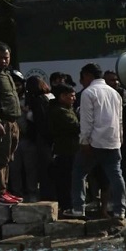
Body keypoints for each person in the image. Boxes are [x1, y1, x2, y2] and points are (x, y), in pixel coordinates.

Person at [66, 63, 125, 220]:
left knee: (78, 173)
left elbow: (87, 120)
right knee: (116, 176)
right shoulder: (115, 93)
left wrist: (84, 141)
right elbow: (119, 120)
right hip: (113, 141)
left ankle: (78, 209)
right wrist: (120, 138)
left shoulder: (88, 92)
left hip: (94, 142)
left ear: (87, 75)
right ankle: (120, 211)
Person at [0, 41, 22, 205]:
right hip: (1, 123)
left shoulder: (5, 74)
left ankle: (4, 191)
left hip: (12, 122)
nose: (3, 61)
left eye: (6, 57)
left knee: (7, 158)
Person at [47, 83, 78, 212]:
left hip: (69, 150)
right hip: (65, 151)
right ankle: (67, 208)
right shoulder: (60, 111)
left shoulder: (66, 109)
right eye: (71, 96)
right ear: (62, 96)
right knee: (66, 182)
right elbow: (76, 127)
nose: (74, 98)